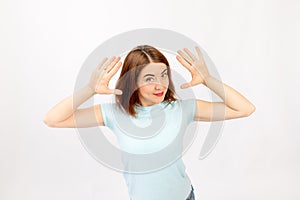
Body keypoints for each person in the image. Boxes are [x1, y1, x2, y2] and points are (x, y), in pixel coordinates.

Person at [43, 45, 256, 200]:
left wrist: (209, 79)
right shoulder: (113, 114)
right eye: (149, 78)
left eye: (163, 75)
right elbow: (52, 119)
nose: (160, 84)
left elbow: (245, 109)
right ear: (132, 82)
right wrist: (89, 89)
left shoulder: (182, 109)